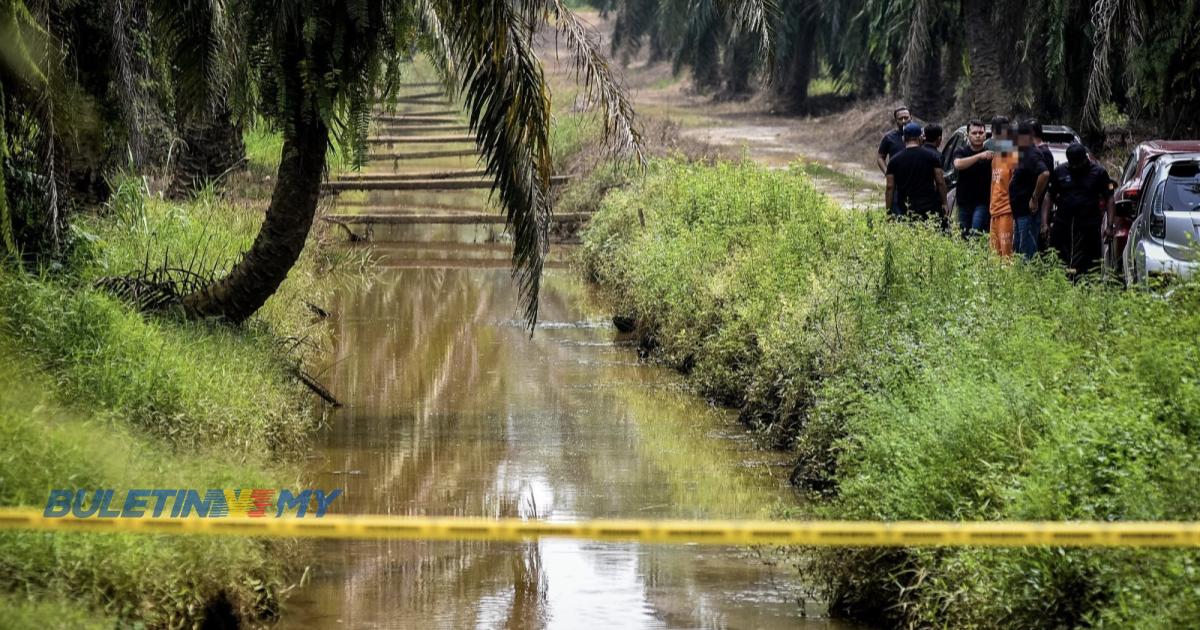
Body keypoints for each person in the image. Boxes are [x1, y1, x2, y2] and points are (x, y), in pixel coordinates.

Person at [1048, 143, 1111, 278]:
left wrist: (1110, 225)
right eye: (1072, 164)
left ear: (1085, 159)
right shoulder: (1060, 171)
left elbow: (1110, 199)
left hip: (1089, 226)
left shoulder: (1099, 173)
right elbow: (1049, 197)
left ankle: (1087, 288)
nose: (1075, 167)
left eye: (1078, 164)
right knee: (1060, 262)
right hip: (1064, 226)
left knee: (1090, 265)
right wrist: (1044, 223)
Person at [885, 122, 948, 221]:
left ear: (903, 138)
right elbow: (940, 181)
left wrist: (888, 211)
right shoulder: (932, 157)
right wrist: (944, 203)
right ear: (920, 137)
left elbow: (890, 187)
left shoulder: (894, 161)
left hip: (905, 206)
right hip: (928, 206)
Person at [1009, 122, 1051, 260]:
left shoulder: (1032, 154)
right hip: (1019, 212)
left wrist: (1034, 198)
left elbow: (1044, 174)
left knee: (1026, 254)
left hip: (1028, 213)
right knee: (1019, 251)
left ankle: (1027, 280)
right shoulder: (1023, 153)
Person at [952, 120, 994, 237]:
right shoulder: (961, 151)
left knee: (976, 233)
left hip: (983, 202)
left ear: (985, 134)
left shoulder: (990, 154)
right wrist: (979, 156)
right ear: (968, 134)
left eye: (981, 133)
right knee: (963, 235)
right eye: (974, 133)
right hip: (964, 202)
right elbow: (958, 164)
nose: (978, 136)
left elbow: (1012, 154)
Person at [988, 122, 1017, 257]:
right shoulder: (995, 155)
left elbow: (1017, 183)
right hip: (994, 211)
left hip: (1007, 210)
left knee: (1007, 256)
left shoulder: (1012, 155)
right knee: (994, 256)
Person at [1029, 119, 1057, 248]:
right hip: (1032, 204)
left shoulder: (1043, 152)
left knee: (1035, 242)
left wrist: (1035, 197)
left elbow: (1046, 177)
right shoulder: (1033, 150)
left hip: (1038, 204)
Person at [877, 106, 912, 174]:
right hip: (897, 179)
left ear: (911, 117)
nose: (903, 121)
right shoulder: (889, 137)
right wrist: (887, 173)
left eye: (906, 118)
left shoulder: (920, 135)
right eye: (900, 118)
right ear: (896, 120)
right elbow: (880, 157)